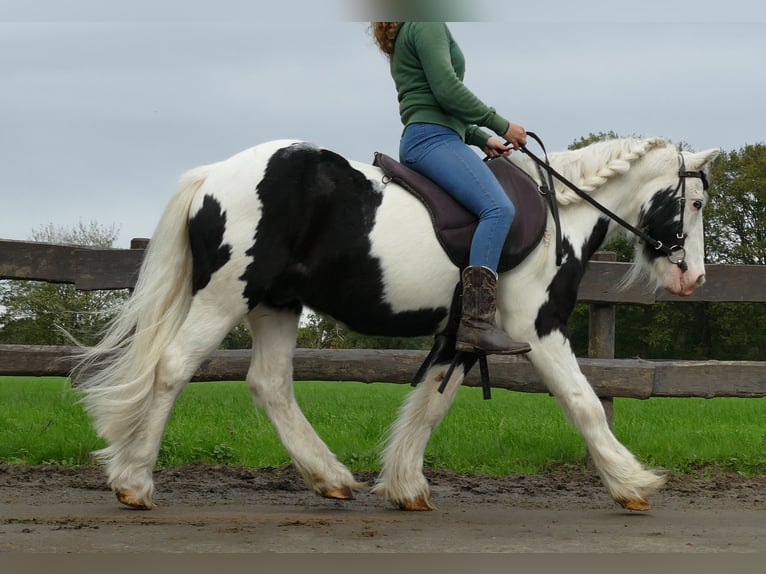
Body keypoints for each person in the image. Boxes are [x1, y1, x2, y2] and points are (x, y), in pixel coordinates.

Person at [371, 21, 531, 356]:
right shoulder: (426, 22)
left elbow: (433, 100)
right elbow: (446, 89)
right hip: (433, 139)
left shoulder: (410, 25)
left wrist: (479, 137)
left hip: (435, 135)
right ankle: (477, 323)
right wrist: (501, 124)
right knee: (498, 210)